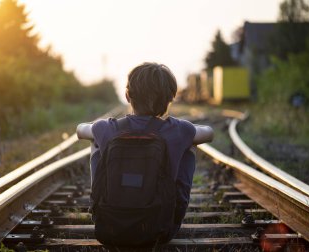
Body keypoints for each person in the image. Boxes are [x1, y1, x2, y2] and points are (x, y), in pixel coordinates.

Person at [77, 62, 213, 243]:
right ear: (168, 100)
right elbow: (209, 133)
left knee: (95, 141)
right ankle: (171, 213)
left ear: (127, 96)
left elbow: (80, 130)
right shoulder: (179, 129)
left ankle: (101, 211)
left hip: (109, 228)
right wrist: (184, 131)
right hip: (160, 231)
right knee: (190, 144)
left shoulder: (107, 128)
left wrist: (97, 129)